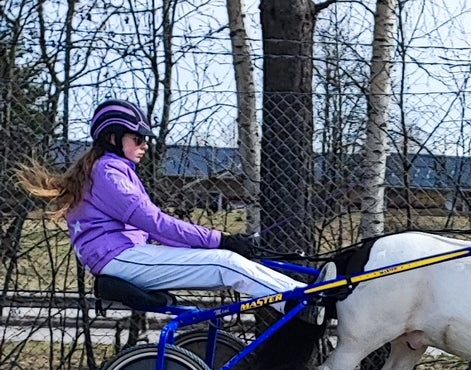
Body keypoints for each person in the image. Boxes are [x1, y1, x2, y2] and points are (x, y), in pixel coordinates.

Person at [18, 100, 305, 302]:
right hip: (119, 259)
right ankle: (305, 298)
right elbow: (154, 222)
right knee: (225, 263)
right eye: (138, 138)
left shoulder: (111, 170)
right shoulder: (107, 172)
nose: (144, 145)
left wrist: (212, 242)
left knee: (227, 262)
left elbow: (153, 228)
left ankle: (296, 296)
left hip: (122, 256)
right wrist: (220, 240)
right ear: (114, 137)